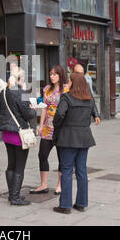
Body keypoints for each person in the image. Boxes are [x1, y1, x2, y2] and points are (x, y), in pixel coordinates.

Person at [52, 72, 100, 214]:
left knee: (67, 170)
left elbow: (59, 114)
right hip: (84, 137)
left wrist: (57, 125)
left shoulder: (67, 97)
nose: (68, 84)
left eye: (70, 81)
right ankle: (81, 203)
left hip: (68, 137)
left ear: (73, 83)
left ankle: (65, 205)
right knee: (81, 170)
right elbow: (93, 112)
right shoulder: (89, 99)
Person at [0, 68, 37, 206]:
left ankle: (12, 194)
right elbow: (29, 114)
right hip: (20, 134)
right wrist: (34, 109)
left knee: (11, 164)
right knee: (19, 166)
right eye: (23, 77)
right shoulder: (20, 92)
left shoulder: (4, 91)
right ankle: (15, 197)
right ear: (20, 78)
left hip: (7, 134)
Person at [31, 65, 66, 196]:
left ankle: (60, 185)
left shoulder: (66, 89)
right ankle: (43, 184)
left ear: (60, 75)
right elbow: (45, 108)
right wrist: (40, 126)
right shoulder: (47, 89)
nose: (52, 76)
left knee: (62, 158)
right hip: (47, 128)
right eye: (51, 74)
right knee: (42, 155)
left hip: (61, 129)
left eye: (54, 74)